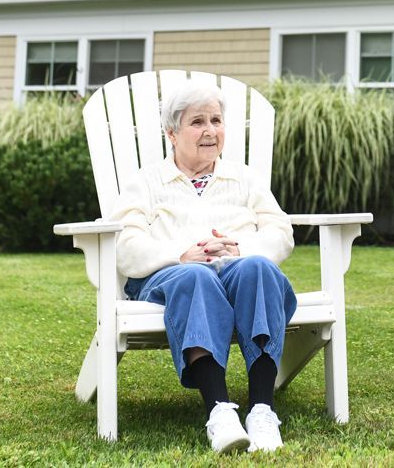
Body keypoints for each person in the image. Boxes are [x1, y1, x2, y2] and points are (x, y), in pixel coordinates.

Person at [109, 82, 297, 454]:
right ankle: (219, 412)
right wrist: (181, 254)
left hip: (235, 269)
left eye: (216, 120)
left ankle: (261, 410)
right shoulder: (145, 183)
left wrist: (240, 247)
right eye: (197, 122)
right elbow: (125, 246)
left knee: (258, 269)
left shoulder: (243, 178)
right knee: (195, 277)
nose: (210, 130)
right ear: (171, 133)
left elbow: (281, 232)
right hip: (169, 277)